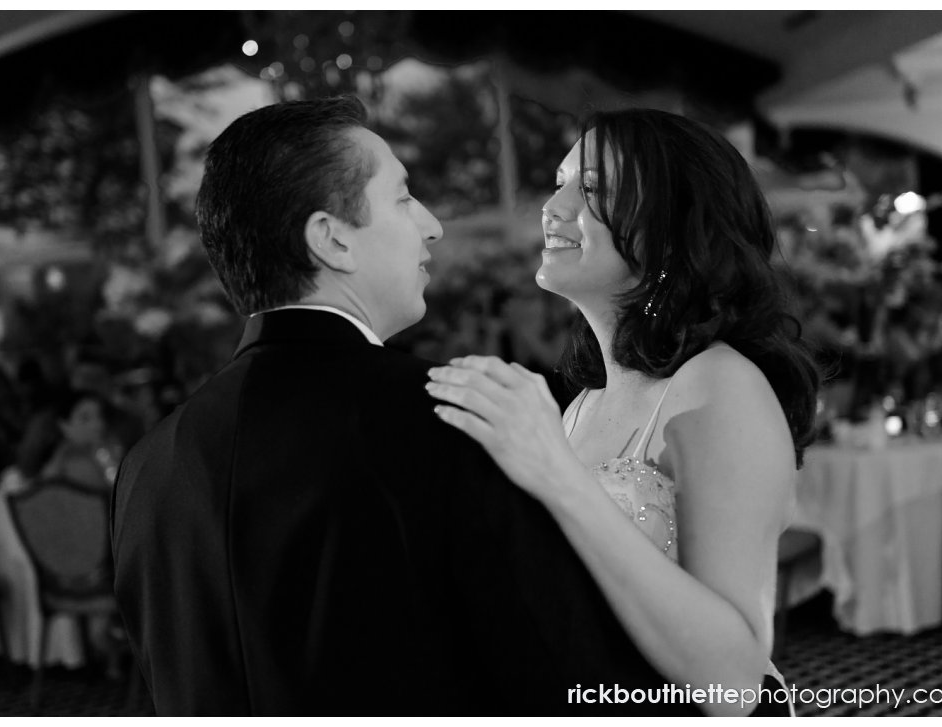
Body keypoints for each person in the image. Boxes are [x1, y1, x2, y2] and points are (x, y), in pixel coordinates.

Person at [111, 97, 753, 716]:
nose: (431, 223)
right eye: (403, 197)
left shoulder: (147, 469)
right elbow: (559, 678)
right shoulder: (457, 419)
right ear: (332, 241)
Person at [427, 108, 819, 716]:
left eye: (589, 190)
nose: (552, 207)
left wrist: (554, 475)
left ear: (669, 228)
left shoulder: (718, 388)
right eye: (559, 182)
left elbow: (737, 682)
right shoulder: (585, 402)